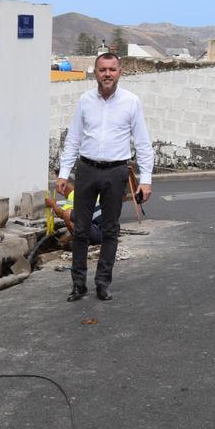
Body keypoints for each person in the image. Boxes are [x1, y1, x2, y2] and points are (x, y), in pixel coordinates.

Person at [56, 53, 153, 302]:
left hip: (116, 171)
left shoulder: (132, 102)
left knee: (110, 230)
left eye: (112, 69)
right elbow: (74, 139)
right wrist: (64, 174)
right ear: (96, 72)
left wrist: (146, 180)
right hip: (87, 169)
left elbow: (142, 143)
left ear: (120, 72)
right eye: (102, 69)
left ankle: (102, 283)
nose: (107, 74)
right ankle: (78, 284)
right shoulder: (85, 101)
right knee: (80, 229)